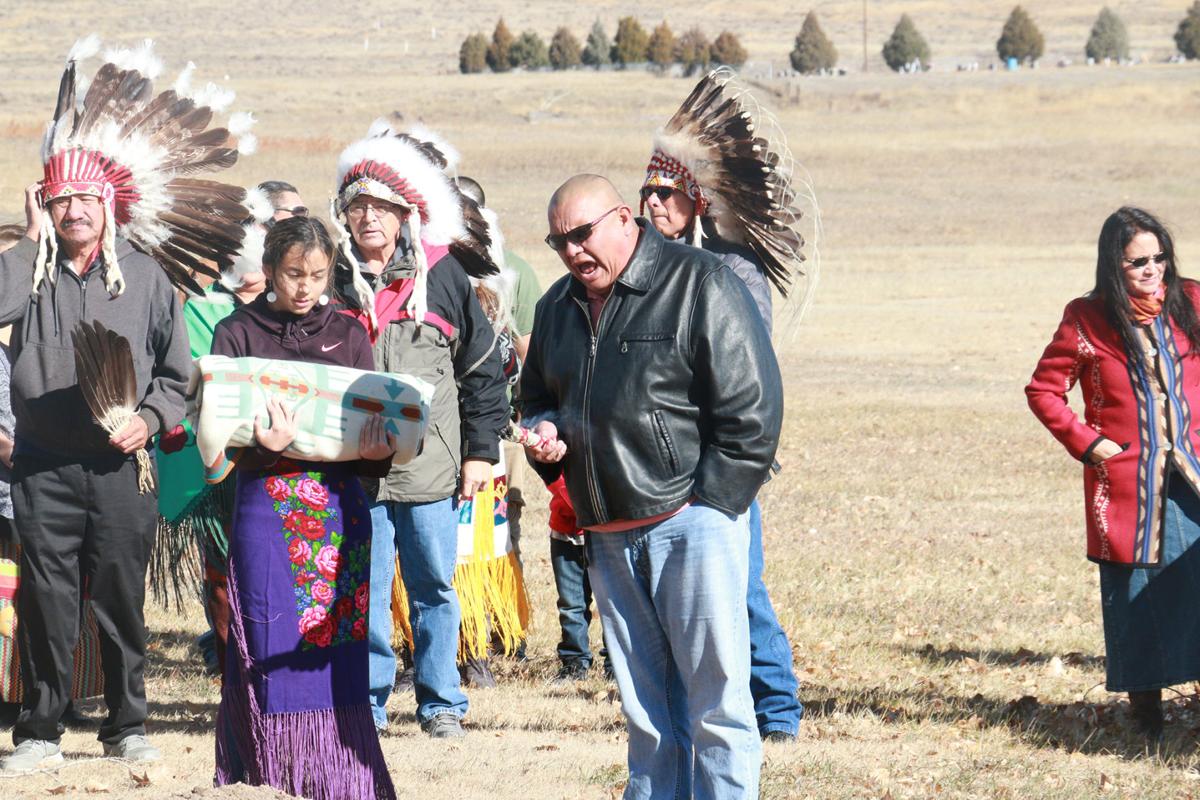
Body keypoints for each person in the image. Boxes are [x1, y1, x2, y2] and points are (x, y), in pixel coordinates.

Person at [0, 38, 259, 773]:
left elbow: (177, 376)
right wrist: (27, 242)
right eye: (61, 199)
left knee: (118, 601)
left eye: (85, 198)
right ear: (47, 206)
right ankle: (42, 732)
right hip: (44, 467)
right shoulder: (30, 272)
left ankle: (125, 726)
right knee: (46, 604)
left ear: (109, 205)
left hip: (123, 469)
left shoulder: (145, 279)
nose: (75, 210)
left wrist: (149, 419)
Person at [520, 174, 783, 799]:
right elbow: (536, 399)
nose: (571, 253)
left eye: (581, 235)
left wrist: (712, 507)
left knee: (715, 703)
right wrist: (547, 440)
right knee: (645, 713)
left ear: (622, 218)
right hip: (607, 532)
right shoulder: (555, 308)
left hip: (692, 520)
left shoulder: (700, 283)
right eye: (558, 242)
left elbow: (753, 409)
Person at [637, 68, 811, 742]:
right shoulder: (645, 265)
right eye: (647, 192)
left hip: (721, 461)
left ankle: (777, 712)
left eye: (666, 193)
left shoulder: (734, 271)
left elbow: (741, 375)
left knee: (740, 589)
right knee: (677, 597)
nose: (652, 204)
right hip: (658, 460)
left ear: (697, 200)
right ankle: (696, 705)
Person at [330, 123, 508, 738]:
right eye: (358, 207)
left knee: (434, 585)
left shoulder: (444, 276)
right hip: (359, 472)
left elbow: (483, 374)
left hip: (432, 469)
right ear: (345, 218)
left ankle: (440, 702)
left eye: (381, 206)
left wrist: (481, 454)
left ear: (406, 213)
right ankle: (370, 703)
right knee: (368, 592)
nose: (369, 218)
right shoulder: (332, 284)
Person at [210, 217, 396, 799]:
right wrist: (255, 444)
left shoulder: (348, 333)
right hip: (265, 509)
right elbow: (213, 439)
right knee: (269, 644)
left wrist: (377, 448)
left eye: (317, 275)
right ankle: (270, 774)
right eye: (293, 274)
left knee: (335, 646)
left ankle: (341, 777)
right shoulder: (237, 333)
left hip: (339, 513)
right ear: (268, 271)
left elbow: (373, 423)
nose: (305, 287)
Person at [1027, 207, 1200, 743]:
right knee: (1136, 593)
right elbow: (1044, 391)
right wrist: (1091, 444)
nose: (1153, 269)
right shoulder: (1087, 317)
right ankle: (1145, 715)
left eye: (1159, 257)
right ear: (1113, 265)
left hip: (1192, 473)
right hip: (1127, 483)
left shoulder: (1191, 300)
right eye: (1137, 262)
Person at [155, 179, 304, 676]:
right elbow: (184, 382)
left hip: (287, 462)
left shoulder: (299, 315)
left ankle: (281, 662)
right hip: (216, 470)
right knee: (221, 574)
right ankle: (232, 669)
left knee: (283, 570)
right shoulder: (201, 312)